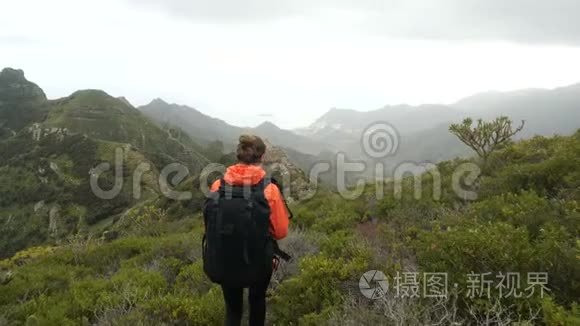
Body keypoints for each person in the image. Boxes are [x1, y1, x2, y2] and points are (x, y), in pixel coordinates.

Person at [203, 134, 290, 326]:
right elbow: (281, 231)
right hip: (258, 262)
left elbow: (211, 223)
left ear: (238, 155)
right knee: (257, 302)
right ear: (262, 157)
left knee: (233, 310)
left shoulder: (218, 185)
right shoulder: (269, 189)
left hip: (225, 259)